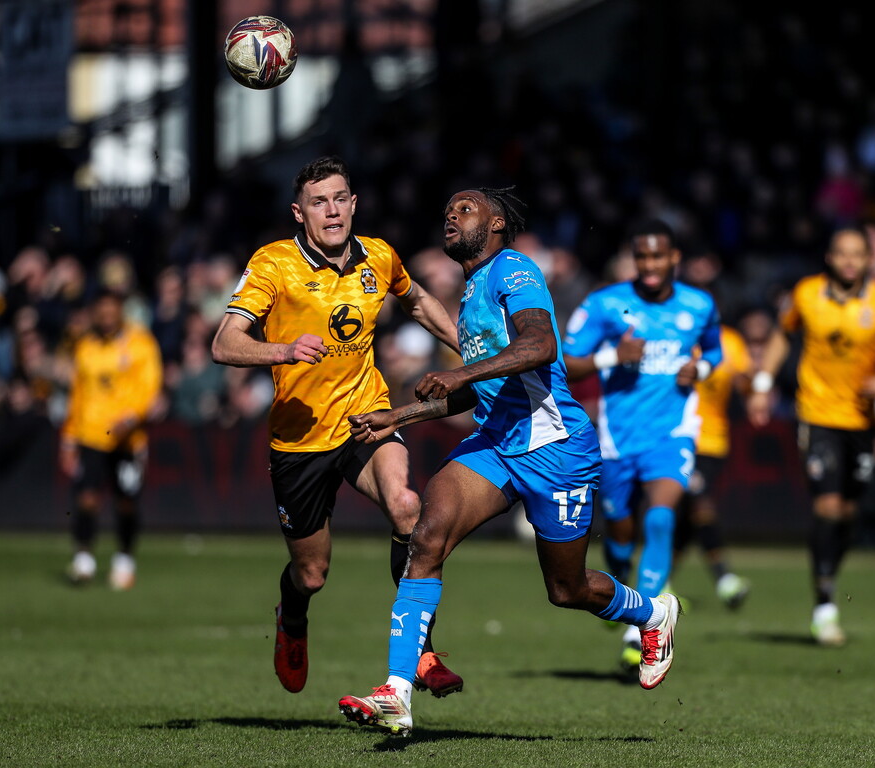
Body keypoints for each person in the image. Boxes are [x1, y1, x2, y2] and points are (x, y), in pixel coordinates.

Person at [338, 188, 681, 736]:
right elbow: (477, 391)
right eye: (446, 210)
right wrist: (398, 417)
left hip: (557, 450)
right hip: (497, 443)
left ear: (496, 222)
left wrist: (459, 372)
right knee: (426, 538)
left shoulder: (513, 268)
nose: (451, 215)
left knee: (566, 590)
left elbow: (542, 345)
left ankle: (651, 613)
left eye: (466, 208)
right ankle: (397, 691)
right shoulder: (472, 288)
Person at [211, 156, 463, 696]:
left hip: (364, 418)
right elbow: (223, 343)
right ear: (298, 213)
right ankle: (292, 619)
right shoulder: (273, 264)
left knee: (407, 505)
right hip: (299, 441)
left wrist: (470, 355)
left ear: (354, 203)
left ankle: (421, 653)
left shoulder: (378, 255)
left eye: (341, 197)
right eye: (319, 201)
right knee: (312, 574)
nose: (333, 210)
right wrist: (283, 349)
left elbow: (416, 301)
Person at [747, 226, 875, 646]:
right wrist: (762, 384)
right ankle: (824, 605)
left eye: (857, 254)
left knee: (847, 513)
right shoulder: (807, 294)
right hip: (817, 413)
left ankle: (827, 580)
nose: (849, 261)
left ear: (868, 260)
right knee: (826, 505)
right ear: (829, 257)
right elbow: (782, 335)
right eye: (841, 253)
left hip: (861, 421)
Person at [561, 219, 722, 677]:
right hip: (616, 439)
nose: (650, 265)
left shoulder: (700, 304)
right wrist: (613, 357)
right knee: (618, 533)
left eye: (659, 256)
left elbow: (714, 350)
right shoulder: (605, 303)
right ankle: (619, 588)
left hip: (673, 433)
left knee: (660, 515)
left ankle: (643, 629)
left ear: (675, 258)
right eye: (642, 256)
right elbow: (566, 362)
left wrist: (702, 372)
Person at [60, 289, 163, 590]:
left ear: (120, 311)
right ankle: (84, 559)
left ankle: (124, 560)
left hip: (128, 438)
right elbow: (77, 394)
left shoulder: (141, 343)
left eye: (111, 311)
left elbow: (150, 385)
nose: (106, 318)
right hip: (91, 435)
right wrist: (69, 436)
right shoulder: (86, 346)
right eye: (101, 312)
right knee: (86, 498)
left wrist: (133, 416)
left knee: (126, 501)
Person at [676, 322, 752, 608]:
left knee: (691, 510)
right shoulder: (672, 334)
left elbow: (745, 381)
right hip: (678, 434)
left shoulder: (730, 341)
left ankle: (662, 581)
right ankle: (724, 580)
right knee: (695, 503)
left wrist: (755, 389)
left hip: (713, 440)